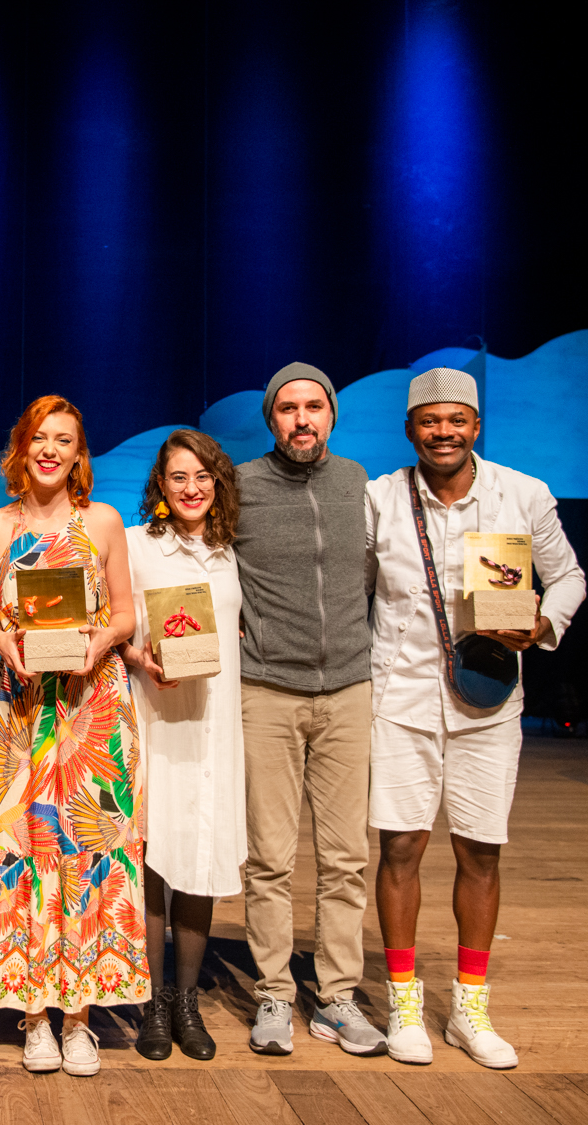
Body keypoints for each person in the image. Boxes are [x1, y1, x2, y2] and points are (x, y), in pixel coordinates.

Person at [365, 368, 585, 1069]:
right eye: (430, 421)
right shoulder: (379, 499)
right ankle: (404, 1002)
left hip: (488, 702)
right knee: (400, 848)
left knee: (481, 850)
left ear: (476, 426)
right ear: (410, 429)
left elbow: (570, 575)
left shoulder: (524, 494)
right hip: (400, 699)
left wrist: (543, 624)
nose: (444, 432)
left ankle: (469, 1006)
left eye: (456, 419)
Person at [0, 394, 146, 1078]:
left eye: (64, 439)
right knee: (26, 849)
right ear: (21, 447)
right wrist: (4, 642)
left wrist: (99, 644)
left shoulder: (104, 521)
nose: (50, 450)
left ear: (79, 454)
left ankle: (80, 1019)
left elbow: (124, 614)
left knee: (89, 850)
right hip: (22, 708)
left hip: (93, 708)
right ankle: (34, 1014)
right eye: (40, 437)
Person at [234, 362, 386, 1058]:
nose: (302, 419)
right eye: (288, 408)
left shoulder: (358, 483)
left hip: (349, 688)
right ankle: (273, 992)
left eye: (314, 406)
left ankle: (337, 997)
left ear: (331, 415)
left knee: (346, 857)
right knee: (269, 858)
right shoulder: (240, 485)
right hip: (267, 690)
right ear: (271, 418)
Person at [119, 430, 244, 1062]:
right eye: (178, 477)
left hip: (215, 727)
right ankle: (151, 1002)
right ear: (160, 486)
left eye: (202, 476)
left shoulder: (230, 551)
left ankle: (187, 1000)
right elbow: (110, 627)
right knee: (152, 858)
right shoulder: (135, 545)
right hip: (156, 720)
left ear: (216, 481)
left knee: (201, 858)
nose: (191, 488)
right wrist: (138, 657)